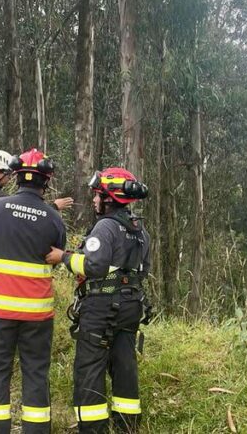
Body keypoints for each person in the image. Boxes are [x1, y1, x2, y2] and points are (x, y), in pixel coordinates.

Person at [45, 168, 151, 434]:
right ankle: (127, 426)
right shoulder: (139, 231)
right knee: (125, 365)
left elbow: (94, 266)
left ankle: (93, 429)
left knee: (89, 369)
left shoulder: (105, 227)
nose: (94, 200)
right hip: (131, 307)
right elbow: (143, 270)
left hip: (102, 308)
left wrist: (64, 257)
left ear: (108, 198)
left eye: (97, 195)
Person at [0, 148, 67, 433]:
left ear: (15, 177)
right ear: (46, 182)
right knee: (36, 374)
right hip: (37, 315)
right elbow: (58, 253)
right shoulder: (53, 217)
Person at [0, 149, 74, 210]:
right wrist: (53, 208)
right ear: (46, 181)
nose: (9, 179)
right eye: (8, 175)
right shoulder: (54, 219)